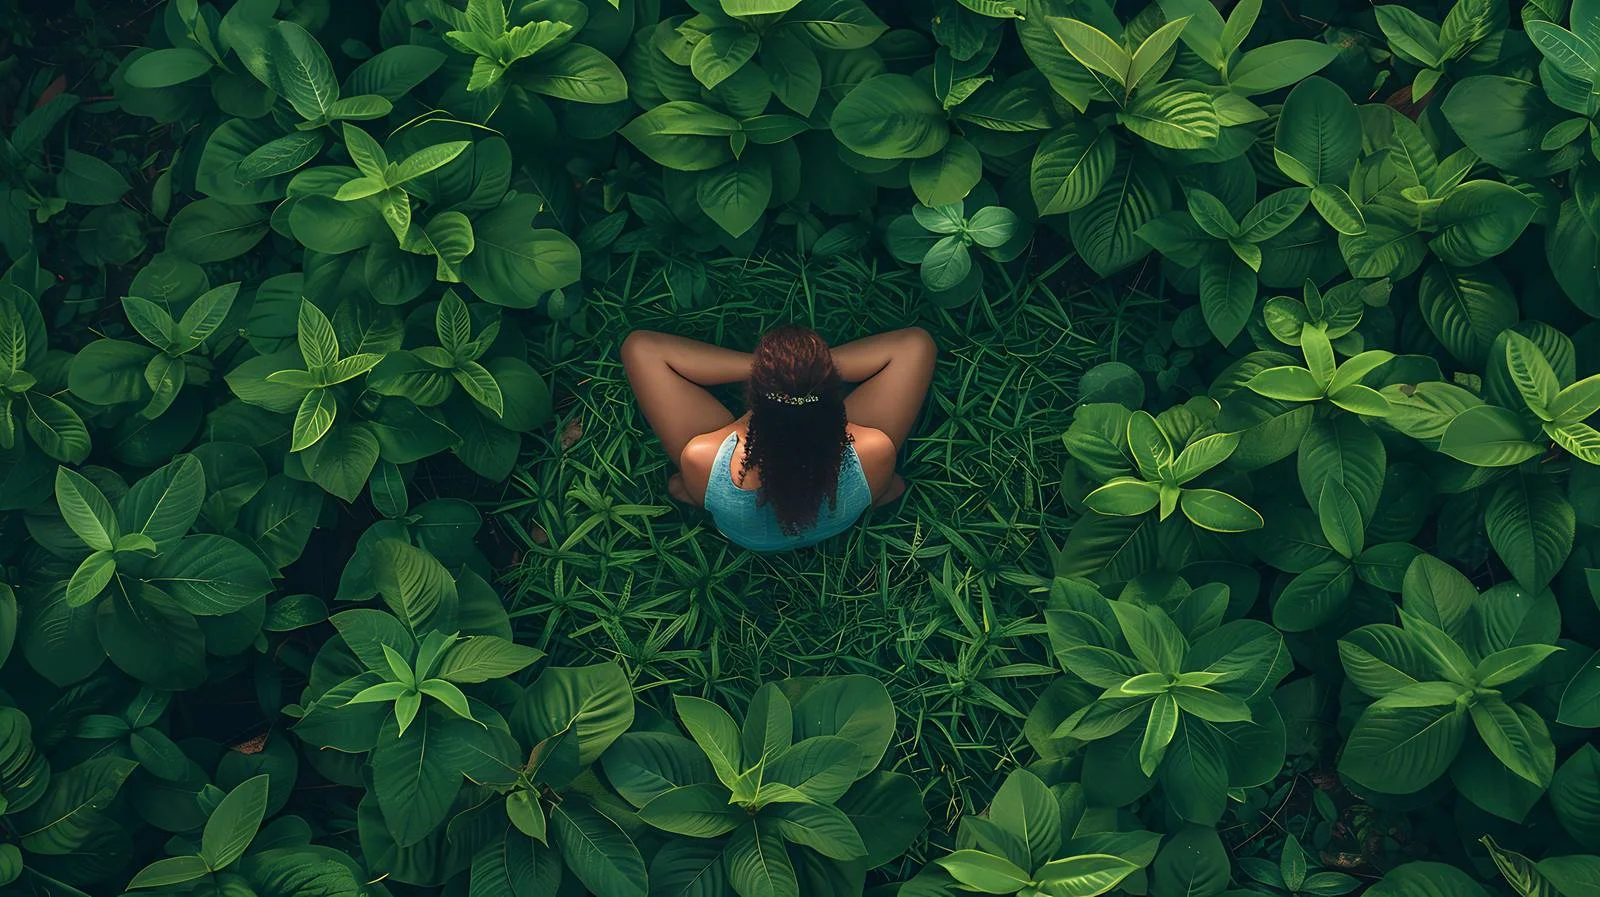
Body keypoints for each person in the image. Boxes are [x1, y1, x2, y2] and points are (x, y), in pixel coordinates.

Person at [620, 324, 936, 552]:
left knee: (638, 348)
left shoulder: (703, 456)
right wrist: (808, 377)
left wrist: (771, 376)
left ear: (753, 397)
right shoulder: (873, 449)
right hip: (840, 513)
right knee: (918, 345)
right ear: (832, 397)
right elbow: (913, 345)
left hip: (742, 530)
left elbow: (643, 347)